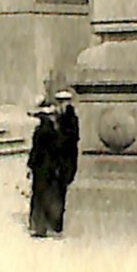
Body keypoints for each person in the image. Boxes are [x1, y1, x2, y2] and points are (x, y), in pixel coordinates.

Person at [26, 98, 66, 238]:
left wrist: (30, 165)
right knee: (49, 195)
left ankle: (39, 226)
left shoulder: (40, 132)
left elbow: (35, 151)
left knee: (39, 196)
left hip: (40, 168)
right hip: (50, 168)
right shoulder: (55, 132)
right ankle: (49, 224)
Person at [56, 89, 80, 224]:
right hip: (59, 157)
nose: (60, 104)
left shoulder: (71, 117)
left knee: (63, 186)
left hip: (67, 156)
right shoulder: (59, 115)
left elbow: (72, 137)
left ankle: (60, 219)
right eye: (59, 102)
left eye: (63, 102)